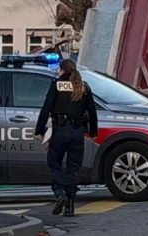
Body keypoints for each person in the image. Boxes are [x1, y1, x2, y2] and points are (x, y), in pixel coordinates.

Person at [35, 58, 98, 217]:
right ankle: (70, 206)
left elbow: (46, 109)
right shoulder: (83, 86)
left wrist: (39, 130)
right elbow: (92, 111)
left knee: (54, 162)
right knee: (73, 168)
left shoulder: (56, 85)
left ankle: (59, 194)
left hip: (60, 131)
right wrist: (93, 132)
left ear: (62, 70)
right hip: (78, 132)